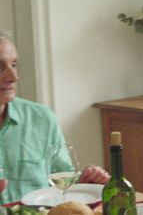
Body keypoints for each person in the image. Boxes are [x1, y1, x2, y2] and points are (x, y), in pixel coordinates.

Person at [0, 29, 110, 204]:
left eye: (14, 64)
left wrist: (86, 180)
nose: (13, 76)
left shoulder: (42, 118)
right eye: (0, 67)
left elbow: (64, 182)